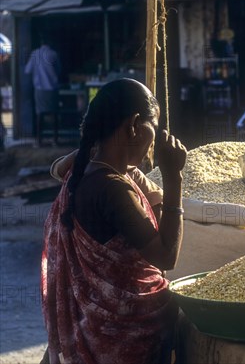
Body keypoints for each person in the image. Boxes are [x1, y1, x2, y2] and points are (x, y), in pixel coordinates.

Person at [41, 78, 188, 363]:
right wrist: (173, 179)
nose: (154, 141)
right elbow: (166, 257)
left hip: (92, 326)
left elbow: (58, 168)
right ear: (134, 125)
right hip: (125, 335)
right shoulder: (112, 188)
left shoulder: (86, 170)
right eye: (153, 129)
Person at [25, 36, 61, 146]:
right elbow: (59, 69)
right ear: (49, 42)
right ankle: (55, 140)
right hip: (53, 89)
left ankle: (38, 141)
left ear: (41, 42)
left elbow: (27, 70)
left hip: (39, 89)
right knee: (54, 113)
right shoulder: (53, 54)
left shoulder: (35, 54)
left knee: (39, 114)